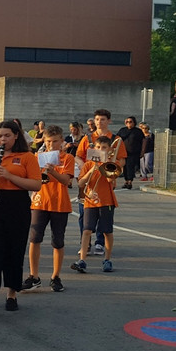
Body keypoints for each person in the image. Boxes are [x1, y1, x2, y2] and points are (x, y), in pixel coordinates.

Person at [0, 121, 41, 315]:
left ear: (16, 136)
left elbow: (36, 185)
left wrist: (9, 175)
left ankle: (12, 294)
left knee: (14, 251)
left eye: (7, 136)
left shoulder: (27, 157)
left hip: (17, 206)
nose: (2, 139)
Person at [22, 126, 74, 293]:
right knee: (34, 239)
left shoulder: (67, 158)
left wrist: (52, 171)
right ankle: (33, 276)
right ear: (44, 141)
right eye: (48, 141)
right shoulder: (37, 157)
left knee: (57, 241)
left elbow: (66, 181)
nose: (51, 145)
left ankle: (55, 276)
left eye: (55, 141)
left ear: (61, 142)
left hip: (60, 203)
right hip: (39, 202)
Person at [74, 110, 125, 257]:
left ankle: (100, 243)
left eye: (102, 119)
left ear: (108, 121)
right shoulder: (88, 138)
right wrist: (87, 166)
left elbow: (121, 159)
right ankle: (85, 245)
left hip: (105, 180)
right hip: (89, 178)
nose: (99, 122)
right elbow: (78, 156)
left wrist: (113, 169)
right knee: (84, 215)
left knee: (104, 217)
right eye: (97, 119)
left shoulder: (115, 139)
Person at [72, 136, 119, 274]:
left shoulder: (111, 163)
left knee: (107, 231)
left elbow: (112, 181)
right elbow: (81, 184)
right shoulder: (88, 164)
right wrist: (92, 170)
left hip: (106, 202)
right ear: (94, 149)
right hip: (90, 202)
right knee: (87, 230)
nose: (100, 150)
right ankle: (82, 260)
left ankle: (107, 259)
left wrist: (105, 167)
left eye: (104, 148)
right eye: (98, 147)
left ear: (109, 149)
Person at [116, 116, 144, 189]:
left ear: (134, 123)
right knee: (124, 167)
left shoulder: (138, 131)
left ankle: (130, 181)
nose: (128, 123)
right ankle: (126, 180)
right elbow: (117, 139)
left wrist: (142, 151)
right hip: (123, 152)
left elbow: (143, 141)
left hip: (134, 152)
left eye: (130, 122)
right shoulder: (122, 130)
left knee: (130, 166)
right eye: (127, 122)